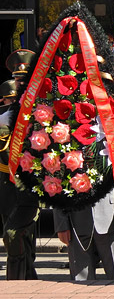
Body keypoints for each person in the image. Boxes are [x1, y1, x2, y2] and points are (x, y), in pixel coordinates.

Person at [1, 49, 40, 280]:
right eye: (17, 79)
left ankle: (20, 281)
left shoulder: (42, 108)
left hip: (31, 182)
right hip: (6, 183)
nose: (20, 83)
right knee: (13, 237)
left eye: (24, 79)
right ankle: (23, 282)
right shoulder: (4, 114)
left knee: (20, 234)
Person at [53, 190, 114, 281]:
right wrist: (61, 224)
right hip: (76, 219)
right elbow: (56, 186)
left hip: (110, 217)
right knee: (80, 280)